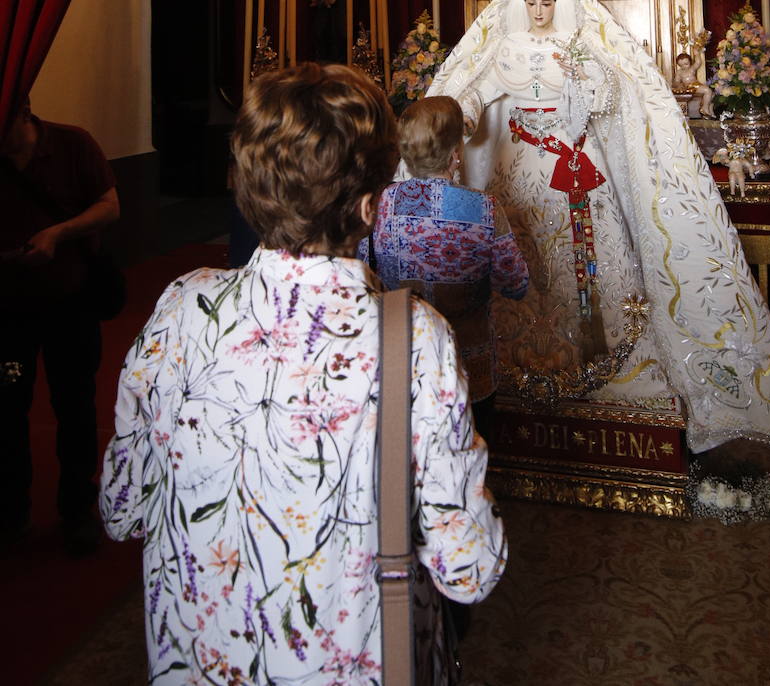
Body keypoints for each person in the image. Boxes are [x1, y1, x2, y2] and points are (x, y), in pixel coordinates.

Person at [100, 64, 506, 684]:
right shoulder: (414, 338)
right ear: (372, 204)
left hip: (201, 664)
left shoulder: (182, 305)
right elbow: (470, 567)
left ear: (247, 185)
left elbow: (121, 506)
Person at [428, 0, 770, 453]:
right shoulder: (500, 45)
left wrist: (591, 78)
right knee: (521, 260)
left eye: (547, 1)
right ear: (516, 2)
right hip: (515, 170)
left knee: (593, 263)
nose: (538, 10)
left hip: (576, 168)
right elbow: (470, 93)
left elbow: (620, 97)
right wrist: (459, 106)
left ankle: (611, 362)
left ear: (561, 1)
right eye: (530, 0)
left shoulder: (585, 45)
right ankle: (510, 363)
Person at [360, 96, 529, 443]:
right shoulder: (484, 209)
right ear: (454, 153)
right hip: (469, 368)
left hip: (403, 361)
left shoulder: (380, 202)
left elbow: (363, 270)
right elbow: (517, 283)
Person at [0, 97, 120, 553]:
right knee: (7, 409)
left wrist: (57, 233)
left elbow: (109, 206)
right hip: (8, 306)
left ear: (23, 112)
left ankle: (76, 509)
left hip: (70, 301)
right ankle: (12, 510)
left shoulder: (72, 144)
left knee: (75, 404)